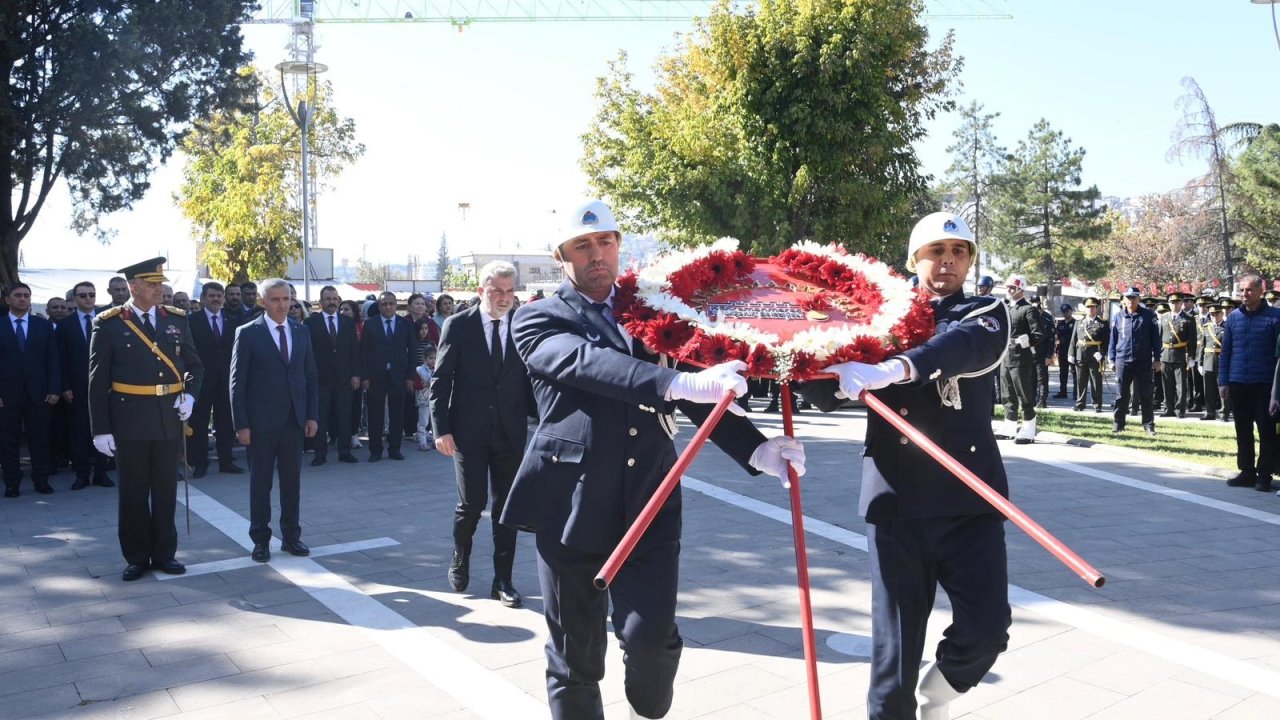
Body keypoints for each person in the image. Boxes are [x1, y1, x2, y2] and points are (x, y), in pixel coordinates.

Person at [501, 199, 804, 720]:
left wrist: (756, 448)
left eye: (606, 242)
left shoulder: (650, 312)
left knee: (651, 644)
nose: (597, 254)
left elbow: (697, 390)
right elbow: (585, 363)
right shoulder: (536, 318)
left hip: (650, 502)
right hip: (570, 505)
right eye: (583, 245)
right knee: (576, 657)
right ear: (560, 256)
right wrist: (674, 381)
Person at [799, 211, 1011, 720]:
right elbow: (822, 394)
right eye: (936, 252)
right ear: (914, 260)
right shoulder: (878, 317)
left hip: (969, 500)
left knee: (986, 630)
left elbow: (962, 347)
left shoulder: (985, 310)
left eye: (959, 252)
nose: (948, 261)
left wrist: (893, 366)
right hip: (897, 503)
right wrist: (808, 343)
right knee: (893, 658)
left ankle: (941, 691)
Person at [88, 257, 203, 581]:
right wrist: (101, 429)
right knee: (134, 493)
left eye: (160, 284)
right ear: (134, 287)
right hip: (129, 420)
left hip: (168, 418)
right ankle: (137, 556)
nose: (160, 290)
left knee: (166, 490)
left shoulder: (177, 320)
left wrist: (190, 395)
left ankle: (165, 553)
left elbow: (196, 366)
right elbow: (97, 381)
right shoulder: (109, 323)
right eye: (152, 285)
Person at [431, 260, 536, 608]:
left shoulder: (521, 324)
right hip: (468, 433)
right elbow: (441, 379)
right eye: (497, 291)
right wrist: (441, 429)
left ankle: (502, 580)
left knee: (507, 508)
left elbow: (530, 378)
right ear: (481, 291)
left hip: (509, 431)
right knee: (472, 504)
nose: (504, 298)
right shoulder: (458, 325)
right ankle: (461, 558)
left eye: (510, 291)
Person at [231, 278, 319, 562]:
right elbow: (237, 382)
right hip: (260, 425)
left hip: (293, 421)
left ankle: (292, 536)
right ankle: (260, 540)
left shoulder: (301, 331)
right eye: (275, 300)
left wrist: (311, 415)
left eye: (286, 299)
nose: (283, 305)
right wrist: (241, 424)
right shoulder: (247, 333)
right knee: (261, 484)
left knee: (292, 482)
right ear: (263, 301)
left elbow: (310, 378)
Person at [1219, 274, 1280, 491]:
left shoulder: (1276, 317)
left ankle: (1264, 475)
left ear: (1260, 291)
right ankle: (1246, 472)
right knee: (1242, 429)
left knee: (1267, 431)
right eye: (1242, 290)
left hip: (1265, 384)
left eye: (1249, 290)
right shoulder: (1234, 317)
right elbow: (1226, 352)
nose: (1244, 294)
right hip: (1238, 382)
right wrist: (1223, 381)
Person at [1, 282, 61, 496]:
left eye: (27, 295)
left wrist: (55, 389)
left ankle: (41, 480)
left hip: (40, 394)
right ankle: (12, 483)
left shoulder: (42, 326)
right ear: (8, 299)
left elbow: (53, 359)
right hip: (7, 396)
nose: (23, 299)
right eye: (18, 295)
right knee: (8, 441)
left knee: (40, 439)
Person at [57, 281, 114, 490]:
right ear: (74, 298)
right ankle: (81, 474)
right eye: (83, 295)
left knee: (103, 429)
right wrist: (64, 386)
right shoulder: (65, 325)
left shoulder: (108, 320)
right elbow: (60, 359)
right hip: (77, 388)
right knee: (79, 432)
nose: (88, 298)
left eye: (91, 294)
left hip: (106, 386)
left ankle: (101, 473)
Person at [186, 282, 244, 478]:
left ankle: (226, 461)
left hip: (225, 380)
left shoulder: (232, 320)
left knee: (226, 422)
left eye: (219, 296)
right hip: (201, 380)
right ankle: (200, 463)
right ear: (203, 298)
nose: (216, 299)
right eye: (212, 296)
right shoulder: (191, 321)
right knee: (200, 423)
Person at [304, 286, 361, 465]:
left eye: (335, 299)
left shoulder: (347, 322)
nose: (332, 302)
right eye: (328, 299)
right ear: (321, 302)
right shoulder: (311, 323)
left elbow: (354, 350)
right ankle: (320, 454)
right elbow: (308, 352)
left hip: (344, 378)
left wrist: (356, 374)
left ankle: (344, 451)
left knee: (344, 416)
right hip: (321, 379)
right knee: (320, 416)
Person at [361, 291, 415, 462]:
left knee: (397, 414)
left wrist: (410, 377)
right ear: (379, 306)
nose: (388, 307)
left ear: (396, 305)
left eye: (391, 303)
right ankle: (375, 450)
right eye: (384, 304)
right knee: (375, 414)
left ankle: (395, 449)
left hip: (398, 376)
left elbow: (412, 352)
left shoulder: (405, 324)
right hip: (375, 376)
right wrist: (365, 377)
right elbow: (363, 352)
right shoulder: (370, 325)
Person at [996, 275, 1043, 444]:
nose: (1008, 290)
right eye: (1007, 287)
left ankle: (1029, 428)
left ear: (1020, 289)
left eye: (1012, 288)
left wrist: (1027, 341)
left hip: (1021, 357)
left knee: (1023, 392)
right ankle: (1009, 425)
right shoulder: (1007, 308)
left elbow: (1039, 333)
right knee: (1007, 393)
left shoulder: (1028, 309)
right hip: (1005, 355)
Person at [1109, 286, 1161, 437]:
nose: (1130, 300)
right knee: (1121, 395)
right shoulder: (1118, 317)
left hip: (1143, 360)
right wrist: (1111, 359)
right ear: (1124, 299)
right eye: (1128, 297)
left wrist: (1157, 359)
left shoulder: (1148, 315)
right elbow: (1113, 339)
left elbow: (1155, 340)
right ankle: (1118, 424)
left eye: (1134, 297)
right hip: (1122, 360)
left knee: (1146, 394)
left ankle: (1148, 425)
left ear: (1139, 299)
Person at [1159, 292, 1196, 418]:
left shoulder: (1188, 318)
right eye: (1172, 302)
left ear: (1181, 303)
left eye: (1177, 302)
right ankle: (1168, 408)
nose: (1175, 304)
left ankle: (1180, 409)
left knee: (1181, 385)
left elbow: (1192, 339)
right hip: (1165, 355)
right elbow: (1159, 337)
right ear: (1169, 303)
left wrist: (1191, 356)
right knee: (1167, 384)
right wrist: (1157, 355)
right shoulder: (1163, 317)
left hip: (1180, 355)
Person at [1068, 297, 1108, 413]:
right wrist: (1071, 353)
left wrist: (1101, 353)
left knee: (1096, 381)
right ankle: (1080, 403)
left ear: (1096, 308)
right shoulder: (1079, 322)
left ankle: (1097, 404)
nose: (1091, 309)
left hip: (1095, 356)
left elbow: (1107, 341)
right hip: (1081, 354)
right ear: (1085, 308)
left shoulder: (1103, 323)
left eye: (1093, 307)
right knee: (1081, 381)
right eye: (1088, 307)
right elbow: (1073, 339)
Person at [1199, 301, 1226, 421]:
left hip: (1222, 362)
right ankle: (1209, 412)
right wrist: (1200, 363)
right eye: (1212, 314)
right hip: (1208, 362)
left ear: (1221, 314)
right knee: (1208, 390)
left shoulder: (1227, 327)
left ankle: (1223, 413)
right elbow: (1202, 346)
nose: (1214, 317)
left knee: (1222, 389)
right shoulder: (1206, 328)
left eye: (1217, 314)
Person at [414, 345, 436, 451]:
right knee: (423, 422)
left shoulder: (437, 369)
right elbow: (416, 385)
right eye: (430, 358)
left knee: (435, 421)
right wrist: (424, 384)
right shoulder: (419, 370)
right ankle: (422, 442)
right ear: (424, 358)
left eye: (435, 358)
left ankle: (435, 441)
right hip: (423, 400)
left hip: (435, 399)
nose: (433, 361)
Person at [1053, 302, 1075, 399]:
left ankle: (1076, 393)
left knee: (1075, 373)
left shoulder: (1076, 323)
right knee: (1063, 373)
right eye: (1063, 312)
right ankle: (1063, 392)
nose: (1065, 313)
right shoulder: (1060, 324)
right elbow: (1057, 337)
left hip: (1073, 352)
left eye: (1067, 311)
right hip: (1062, 351)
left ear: (1071, 311)